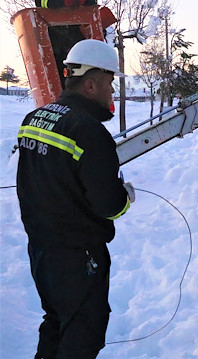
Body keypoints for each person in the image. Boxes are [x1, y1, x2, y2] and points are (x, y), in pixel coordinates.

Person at [17, 39, 134, 359]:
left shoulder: (34, 119)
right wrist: (126, 196)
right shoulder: (89, 133)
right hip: (78, 257)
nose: (112, 92)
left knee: (56, 321)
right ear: (91, 84)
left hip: (42, 250)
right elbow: (109, 205)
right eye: (110, 83)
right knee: (82, 336)